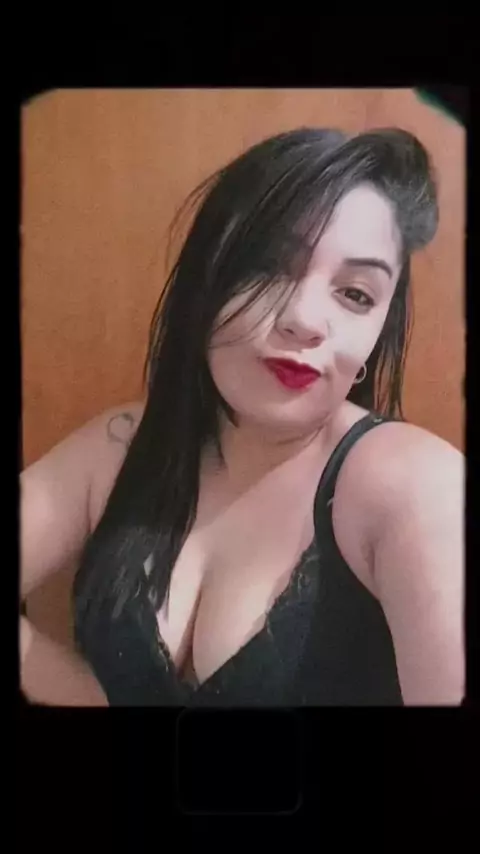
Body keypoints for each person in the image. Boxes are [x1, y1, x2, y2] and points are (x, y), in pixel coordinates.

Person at [20, 127, 464, 706]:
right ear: (207, 275)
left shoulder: (415, 486)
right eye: (270, 267)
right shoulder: (118, 447)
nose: (305, 320)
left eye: (356, 294)